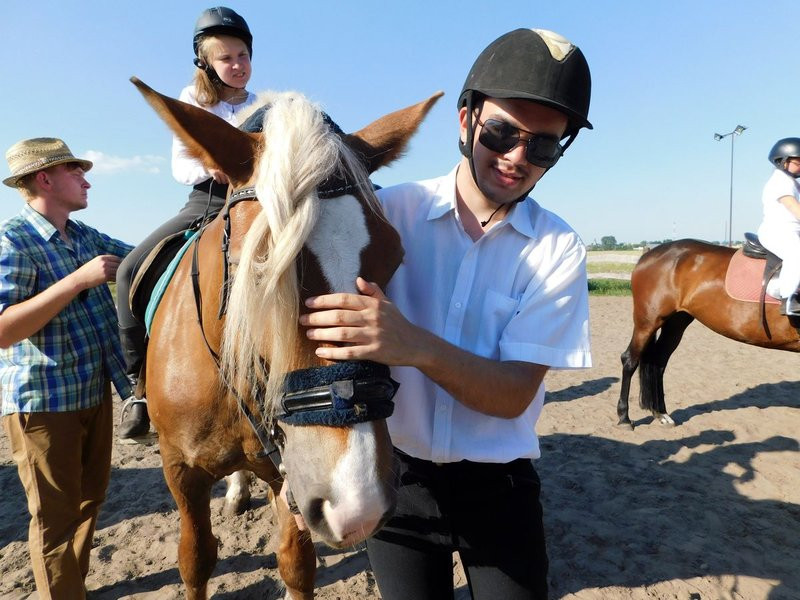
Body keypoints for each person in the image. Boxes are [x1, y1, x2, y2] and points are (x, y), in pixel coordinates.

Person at [299, 28, 593, 599]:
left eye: (542, 146)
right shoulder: (387, 213)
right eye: (503, 133)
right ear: (465, 121)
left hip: (499, 489)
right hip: (398, 477)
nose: (516, 158)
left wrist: (414, 345)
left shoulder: (560, 248)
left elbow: (513, 397)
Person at [116, 6, 259, 439]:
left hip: (253, 202)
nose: (237, 65)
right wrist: (212, 164)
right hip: (207, 200)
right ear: (206, 64)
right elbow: (180, 166)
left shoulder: (265, 106)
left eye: (242, 55)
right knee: (127, 272)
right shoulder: (192, 102)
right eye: (226, 58)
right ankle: (138, 385)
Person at [0, 137, 133, 599]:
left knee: (89, 503)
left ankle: (68, 589)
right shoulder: (12, 239)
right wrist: (77, 281)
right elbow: (2, 330)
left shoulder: (85, 236)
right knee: (54, 521)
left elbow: (147, 255)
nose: (87, 179)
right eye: (76, 172)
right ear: (45, 179)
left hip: (93, 392)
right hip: (43, 403)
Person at [756, 137, 800, 316]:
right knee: (797, 254)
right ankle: (788, 300)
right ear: (783, 161)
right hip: (777, 232)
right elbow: (793, 207)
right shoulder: (779, 181)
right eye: (799, 162)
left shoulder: (793, 183)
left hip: (792, 231)